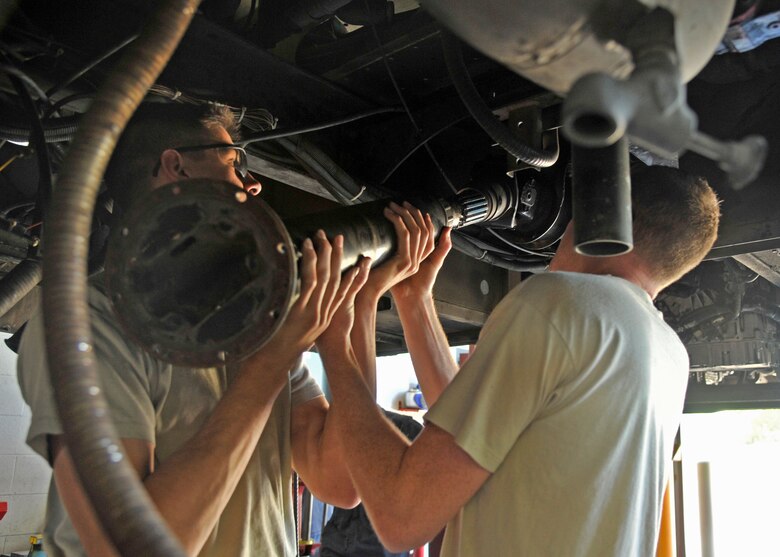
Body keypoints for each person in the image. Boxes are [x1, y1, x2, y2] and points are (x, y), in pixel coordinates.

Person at [16, 102, 373, 557]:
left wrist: (352, 322)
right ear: (175, 166)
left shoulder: (254, 318)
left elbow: (341, 482)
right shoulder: (86, 319)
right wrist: (273, 359)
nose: (253, 183)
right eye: (233, 164)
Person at [314, 165, 721, 556]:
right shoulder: (669, 355)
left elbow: (400, 514)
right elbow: (470, 428)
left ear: (602, 219)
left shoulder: (559, 302)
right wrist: (413, 298)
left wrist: (335, 342)